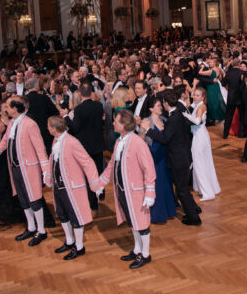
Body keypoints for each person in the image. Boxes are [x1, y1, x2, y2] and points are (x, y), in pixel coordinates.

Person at [0, 96, 49, 247]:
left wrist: (45, 169)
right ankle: (31, 227)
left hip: (29, 168)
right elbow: (4, 143)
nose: (5, 109)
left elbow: (40, 149)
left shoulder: (30, 124)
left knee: (34, 200)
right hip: (15, 168)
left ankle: (41, 230)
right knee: (23, 199)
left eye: (7, 106)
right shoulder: (12, 123)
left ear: (15, 108)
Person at [98, 110, 156, 269]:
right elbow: (111, 166)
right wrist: (100, 184)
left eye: (116, 120)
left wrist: (150, 193)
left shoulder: (138, 143)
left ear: (123, 125)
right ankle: (137, 249)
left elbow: (149, 169)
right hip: (123, 190)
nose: (113, 123)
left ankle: (145, 254)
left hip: (136, 191)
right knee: (133, 221)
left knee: (142, 223)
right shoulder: (119, 142)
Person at [141, 89, 202, 226]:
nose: (162, 105)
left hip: (178, 159)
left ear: (166, 102)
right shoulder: (177, 115)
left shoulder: (173, 119)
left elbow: (164, 138)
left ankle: (194, 218)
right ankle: (194, 210)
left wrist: (148, 130)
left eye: (162, 102)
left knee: (182, 191)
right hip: (183, 156)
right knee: (183, 188)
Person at [44, 116, 102, 260]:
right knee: (62, 214)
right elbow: (53, 159)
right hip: (59, 185)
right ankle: (69, 241)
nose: (47, 128)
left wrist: (95, 183)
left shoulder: (72, 142)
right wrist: (49, 177)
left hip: (72, 186)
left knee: (75, 216)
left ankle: (79, 246)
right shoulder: (56, 140)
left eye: (48, 126)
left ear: (55, 128)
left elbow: (87, 162)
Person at [64, 81, 105, 211]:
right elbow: (101, 123)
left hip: (85, 147)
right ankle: (101, 193)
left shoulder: (78, 109)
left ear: (80, 93)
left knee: (88, 174)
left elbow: (75, 129)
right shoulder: (98, 106)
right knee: (98, 171)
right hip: (98, 144)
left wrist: (66, 118)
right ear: (91, 93)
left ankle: (93, 202)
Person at [141, 96, 176, 223]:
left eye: (161, 105)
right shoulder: (146, 121)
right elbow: (141, 140)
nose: (161, 107)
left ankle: (168, 210)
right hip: (153, 157)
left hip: (165, 156)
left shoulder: (165, 120)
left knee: (166, 182)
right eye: (158, 106)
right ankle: (157, 214)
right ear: (151, 109)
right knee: (156, 184)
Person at [182, 87, 220, 201]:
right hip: (200, 135)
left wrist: (185, 115)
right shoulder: (199, 105)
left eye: (198, 95)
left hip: (199, 137)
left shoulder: (201, 106)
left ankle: (207, 193)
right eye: (194, 95)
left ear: (203, 97)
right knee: (204, 162)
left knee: (199, 164)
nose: (195, 97)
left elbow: (197, 121)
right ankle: (207, 188)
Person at [198, 57, 226, 123]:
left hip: (211, 87)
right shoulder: (219, 69)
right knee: (217, 100)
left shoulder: (211, 71)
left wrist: (201, 67)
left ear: (214, 63)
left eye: (211, 62)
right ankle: (220, 116)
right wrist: (219, 79)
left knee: (212, 102)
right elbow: (224, 74)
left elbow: (200, 73)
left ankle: (214, 117)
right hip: (217, 85)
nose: (209, 63)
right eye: (209, 62)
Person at [221, 58, 244, 139]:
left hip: (231, 97)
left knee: (228, 117)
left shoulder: (228, 73)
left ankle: (225, 134)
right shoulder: (242, 73)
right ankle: (241, 134)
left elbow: (223, 84)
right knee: (241, 117)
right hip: (240, 98)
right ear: (239, 64)